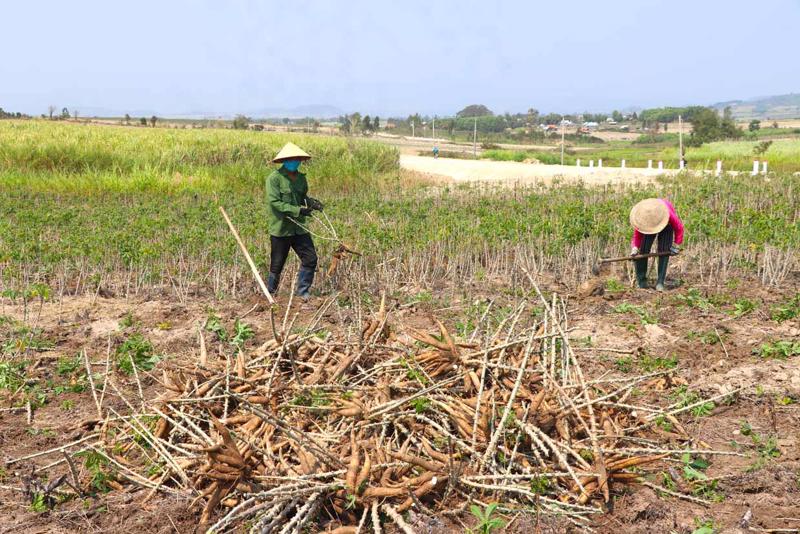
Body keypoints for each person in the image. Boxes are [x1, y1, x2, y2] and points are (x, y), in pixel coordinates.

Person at [266, 142, 324, 300]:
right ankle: (270, 293)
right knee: (277, 264)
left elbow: (302, 197)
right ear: (285, 160)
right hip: (281, 228)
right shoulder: (274, 179)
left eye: (297, 159)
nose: (295, 161)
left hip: (299, 228)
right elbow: (275, 203)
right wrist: (298, 210)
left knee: (310, 258)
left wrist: (311, 203)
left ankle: (302, 292)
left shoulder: (301, 179)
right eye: (291, 159)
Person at [629, 198, 684, 291]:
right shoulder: (642, 218)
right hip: (647, 225)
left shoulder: (668, 215)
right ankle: (642, 282)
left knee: (664, 250)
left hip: (666, 224)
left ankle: (660, 282)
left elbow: (679, 228)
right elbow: (637, 235)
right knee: (643, 250)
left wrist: (676, 245)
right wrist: (635, 248)